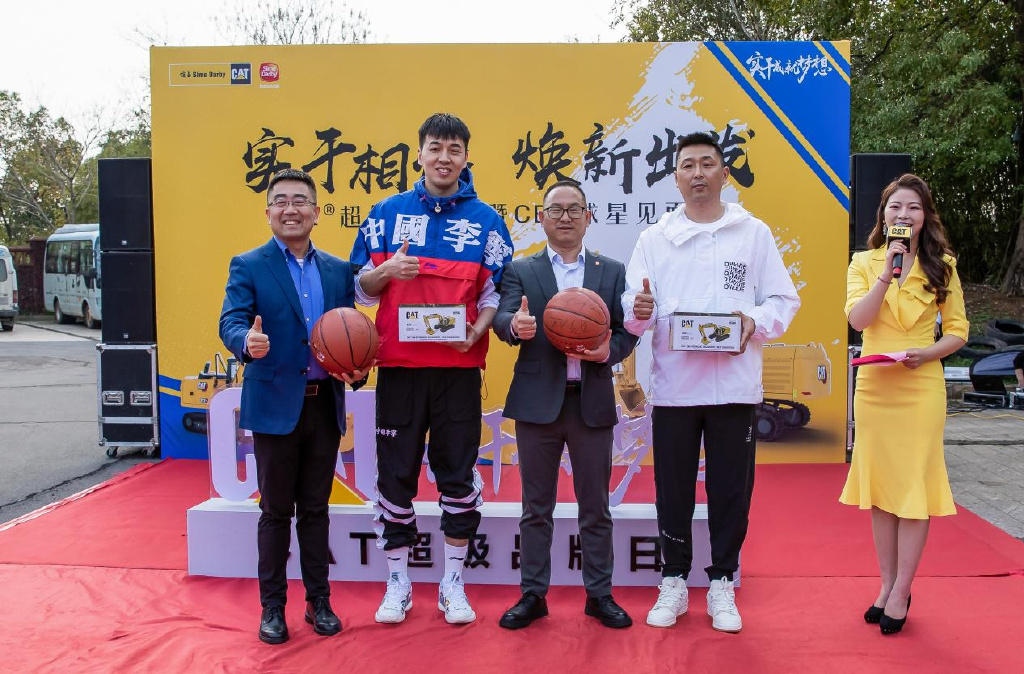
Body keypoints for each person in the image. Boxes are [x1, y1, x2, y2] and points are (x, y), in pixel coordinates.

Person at [622, 131, 800, 633]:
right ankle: (673, 580)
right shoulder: (654, 238)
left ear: (724, 173)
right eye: (687, 165)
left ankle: (723, 580)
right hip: (675, 388)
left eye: (707, 163)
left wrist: (753, 322)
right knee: (672, 489)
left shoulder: (753, 234)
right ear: (675, 177)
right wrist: (638, 309)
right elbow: (633, 310)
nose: (697, 173)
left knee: (730, 489)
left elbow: (783, 300)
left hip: (734, 388)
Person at [349, 112, 514, 625]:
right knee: (395, 475)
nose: (444, 157)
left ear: (466, 158)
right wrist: (385, 271)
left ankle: (453, 582)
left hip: (457, 370)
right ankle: (398, 580)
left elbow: (495, 292)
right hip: (399, 368)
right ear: (419, 153)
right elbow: (359, 289)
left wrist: (478, 329)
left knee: (457, 475)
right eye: (435, 147)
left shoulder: (486, 221)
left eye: (454, 149)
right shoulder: (385, 215)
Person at [219, 168, 367, 644]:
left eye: (300, 200)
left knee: (317, 510)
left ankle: (319, 601)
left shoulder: (339, 270)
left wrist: (358, 370)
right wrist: (246, 342)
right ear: (268, 213)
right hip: (274, 407)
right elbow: (231, 320)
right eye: (280, 201)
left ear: (316, 212)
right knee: (276, 512)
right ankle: (272, 607)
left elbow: (351, 332)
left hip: (323, 406)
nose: (290, 209)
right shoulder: (248, 264)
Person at [492, 180, 639, 629]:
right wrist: (515, 326)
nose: (565, 217)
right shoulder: (522, 269)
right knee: (535, 507)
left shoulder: (611, 271)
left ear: (589, 217)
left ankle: (600, 595)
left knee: (595, 506)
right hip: (537, 405)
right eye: (556, 209)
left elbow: (627, 330)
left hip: (590, 402)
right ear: (542, 218)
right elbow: (502, 317)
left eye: (575, 209)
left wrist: (609, 351)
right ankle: (533, 595)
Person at [841, 173, 969, 635]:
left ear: (925, 216)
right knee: (881, 490)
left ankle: (902, 591)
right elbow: (858, 320)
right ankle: (886, 584)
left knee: (913, 487)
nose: (904, 214)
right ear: (884, 215)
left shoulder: (943, 267)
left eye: (913, 207)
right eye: (895, 206)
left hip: (920, 385)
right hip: (875, 386)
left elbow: (958, 331)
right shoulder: (864, 262)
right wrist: (886, 272)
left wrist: (927, 354)